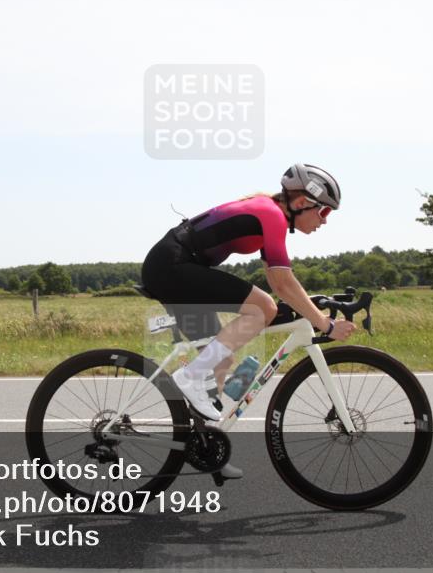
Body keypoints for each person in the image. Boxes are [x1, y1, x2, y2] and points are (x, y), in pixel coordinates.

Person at [141, 164, 357, 431]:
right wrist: (327, 325)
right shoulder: (272, 216)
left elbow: (279, 280)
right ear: (302, 202)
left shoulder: (268, 213)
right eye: (323, 211)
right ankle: (190, 376)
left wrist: (309, 308)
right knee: (262, 307)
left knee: (221, 361)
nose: (324, 220)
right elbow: (282, 284)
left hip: (174, 266)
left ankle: (204, 442)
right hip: (170, 266)